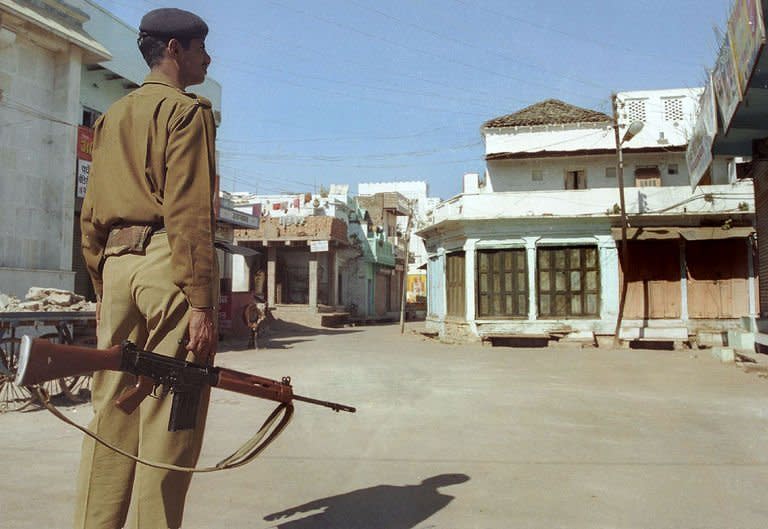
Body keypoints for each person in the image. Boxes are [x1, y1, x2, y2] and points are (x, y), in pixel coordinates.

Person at [78, 8, 218, 529]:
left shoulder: (111, 116)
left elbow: (91, 214)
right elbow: (188, 213)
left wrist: (103, 283)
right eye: (202, 47)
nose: (209, 58)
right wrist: (201, 301)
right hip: (168, 268)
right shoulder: (186, 112)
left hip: (116, 267)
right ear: (175, 50)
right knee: (170, 417)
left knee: (111, 413)